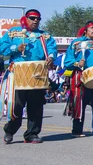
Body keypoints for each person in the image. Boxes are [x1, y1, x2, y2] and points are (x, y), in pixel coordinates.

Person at [1, 9, 57, 144]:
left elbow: (52, 49)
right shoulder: (13, 32)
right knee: (17, 105)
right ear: (25, 19)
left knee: (36, 105)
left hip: (38, 74)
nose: (35, 20)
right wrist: (15, 48)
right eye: (32, 18)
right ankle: (10, 130)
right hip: (19, 74)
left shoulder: (45, 36)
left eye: (38, 18)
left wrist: (50, 57)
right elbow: (2, 48)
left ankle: (32, 134)